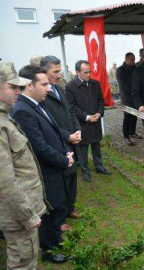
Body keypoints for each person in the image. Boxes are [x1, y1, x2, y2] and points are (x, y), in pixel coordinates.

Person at [12, 65, 73, 264]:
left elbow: (54, 132)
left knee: (56, 208)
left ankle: (55, 241)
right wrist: (64, 160)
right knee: (49, 210)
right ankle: (50, 250)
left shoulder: (37, 103)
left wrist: (65, 151)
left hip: (55, 167)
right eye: (44, 84)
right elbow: (39, 147)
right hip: (45, 172)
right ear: (29, 85)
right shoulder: (23, 110)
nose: (49, 88)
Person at [0, 65, 47, 269]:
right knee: (23, 264)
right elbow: (5, 182)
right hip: (18, 216)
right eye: (13, 87)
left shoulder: (5, 118)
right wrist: (28, 215)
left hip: (22, 213)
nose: (19, 92)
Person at [40, 56, 81, 232]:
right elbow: (50, 123)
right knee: (61, 182)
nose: (59, 75)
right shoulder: (42, 95)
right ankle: (61, 216)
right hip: (60, 142)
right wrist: (67, 136)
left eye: (60, 71)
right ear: (44, 72)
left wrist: (78, 130)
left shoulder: (58, 89)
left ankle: (70, 207)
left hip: (72, 139)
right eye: (55, 72)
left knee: (72, 176)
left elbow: (70, 110)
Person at [65, 60, 111, 182]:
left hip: (95, 121)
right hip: (81, 123)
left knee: (96, 144)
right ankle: (85, 170)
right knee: (83, 148)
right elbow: (72, 106)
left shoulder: (95, 84)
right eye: (85, 72)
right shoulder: (70, 87)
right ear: (77, 72)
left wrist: (99, 113)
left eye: (89, 72)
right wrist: (86, 117)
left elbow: (101, 100)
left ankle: (99, 166)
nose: (88, 75)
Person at [116, 52, 142, 146]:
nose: (133, 61)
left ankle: (132, 131)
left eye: (134, 59)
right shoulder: (120, 70)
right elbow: (123, 85)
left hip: (135, 96)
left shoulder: (135, 69)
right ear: (126, 59)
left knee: (135, 115)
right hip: (127, 97)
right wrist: (134, 90)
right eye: (132, 59)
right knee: (127, 116)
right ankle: (126, 135)